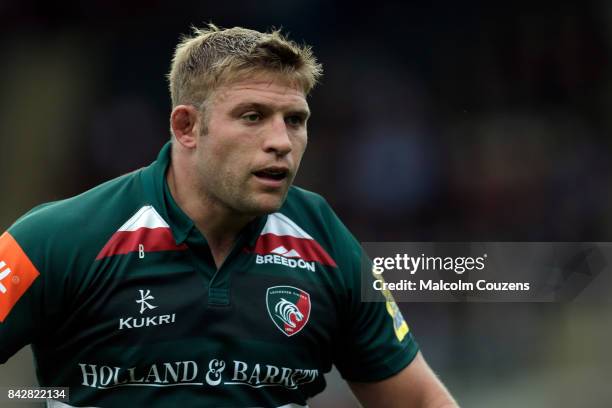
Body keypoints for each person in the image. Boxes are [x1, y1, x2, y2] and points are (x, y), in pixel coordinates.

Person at [0, 25, 458, 407]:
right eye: (254, 116)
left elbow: (420, 401)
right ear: (186, 127)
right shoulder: (54, 239)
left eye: (295, 120)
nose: (281, 140)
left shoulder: (326, 242)